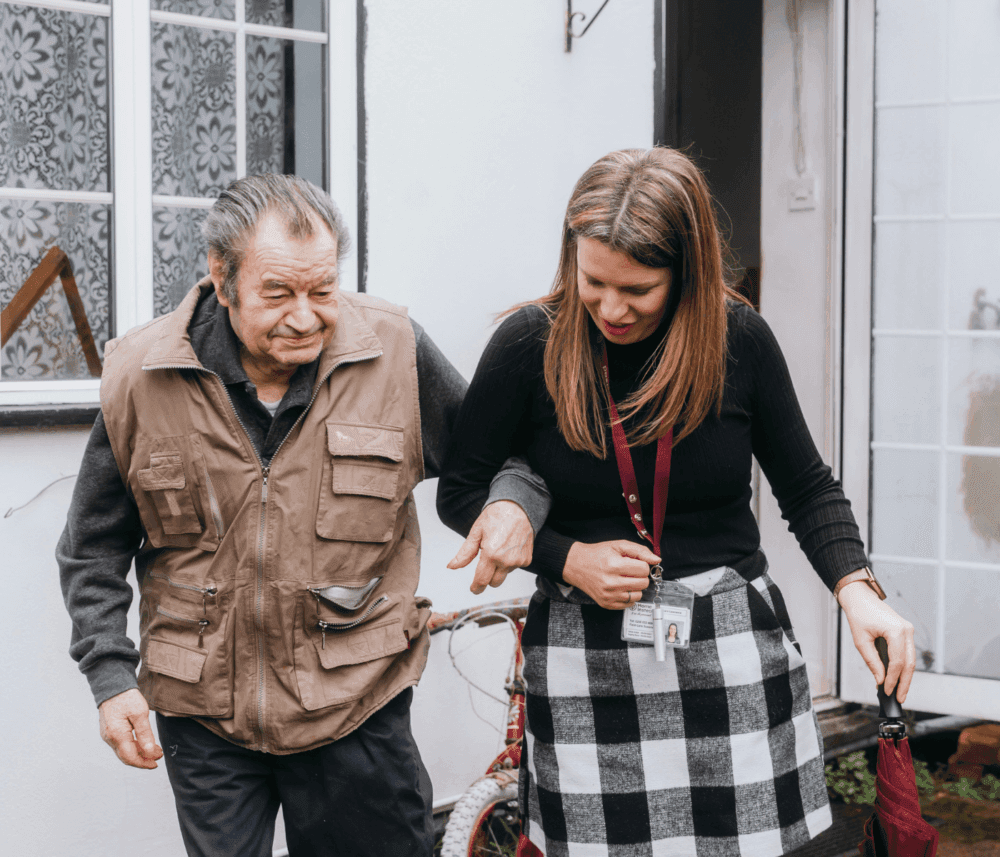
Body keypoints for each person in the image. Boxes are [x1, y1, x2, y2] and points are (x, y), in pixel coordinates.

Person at [437, 148, 916, 857]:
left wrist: (858, 589)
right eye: (592, 280)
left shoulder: (738, 340)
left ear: (686, 272)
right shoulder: (528, 344)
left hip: (730, 646)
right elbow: (461, 490)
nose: (609, 307)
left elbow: (807, 484)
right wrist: (567, 558)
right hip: (582, 651)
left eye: (638, 288)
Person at [57, 174, 551, 857]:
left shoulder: (394, 349)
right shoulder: (141, 375)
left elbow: (506, 455)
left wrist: (512, 502)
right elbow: (92, 547)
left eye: (322, 290)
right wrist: (110, 678)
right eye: (278, 293)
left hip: (358, 707)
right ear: (221, 276)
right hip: (205, 720)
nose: (305, 315)